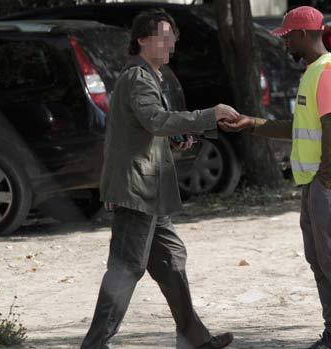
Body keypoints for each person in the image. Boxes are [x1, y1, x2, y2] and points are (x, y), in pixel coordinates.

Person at [219, 6, 331, 349]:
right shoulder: (314, 72)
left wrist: (325, 178)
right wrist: (252, 124)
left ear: (305, 35)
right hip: (318, 184)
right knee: (320, 260)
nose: (285, 43)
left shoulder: (325, 73)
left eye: (288, 36)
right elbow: (303, 129)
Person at [81, 9, 237, 349]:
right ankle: (95, 344)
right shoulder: (138, 77)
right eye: (162, 36)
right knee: (126, 267)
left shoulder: (154, 76)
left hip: (150, 188)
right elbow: (155, 120)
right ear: (141, 40)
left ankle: (193, 336)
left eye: (172, 38)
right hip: (136, 188)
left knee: (170, 258)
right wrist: (209, 115)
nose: (170, 43)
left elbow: (151, 129)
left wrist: (176, 138)